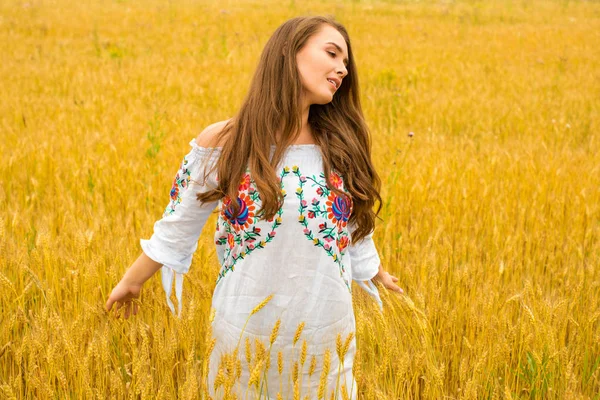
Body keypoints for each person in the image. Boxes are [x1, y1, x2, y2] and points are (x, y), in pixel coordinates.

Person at [105, 15, 404, 399]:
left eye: (346, 62)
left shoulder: (340, 146)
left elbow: (352, 225)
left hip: (325, 337)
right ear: (287, 50)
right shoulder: (226, 142)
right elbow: (178, 226)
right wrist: (132, 281)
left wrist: (373, 270)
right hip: (242, 335)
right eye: (331, 53)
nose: (343, 69)